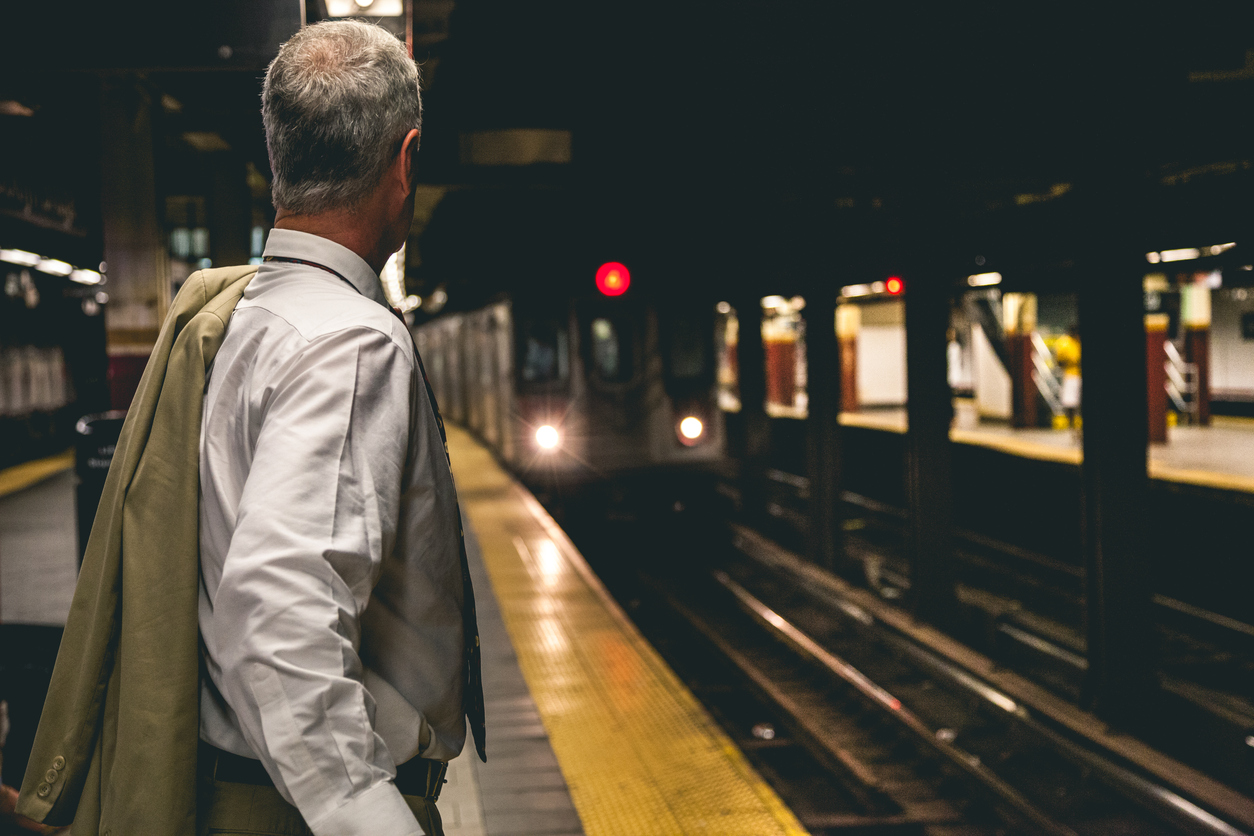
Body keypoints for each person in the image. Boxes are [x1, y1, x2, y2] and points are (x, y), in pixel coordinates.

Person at [194, 20, 485, 836]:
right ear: (407, 158)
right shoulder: (350, 341)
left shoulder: (245, 316)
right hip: (299, 811)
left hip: (241, 781)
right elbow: (280, 604)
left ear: (279, 155)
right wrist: (366, 814)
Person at [1055, 325, 1081, 432]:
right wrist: (1072, 362)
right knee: (1070, 402)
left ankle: (1077, 423)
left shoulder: (1078, 342)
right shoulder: (1064, 343)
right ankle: (1072, 425)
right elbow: (1059, 361)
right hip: (1070, 375)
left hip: (1077, 375)